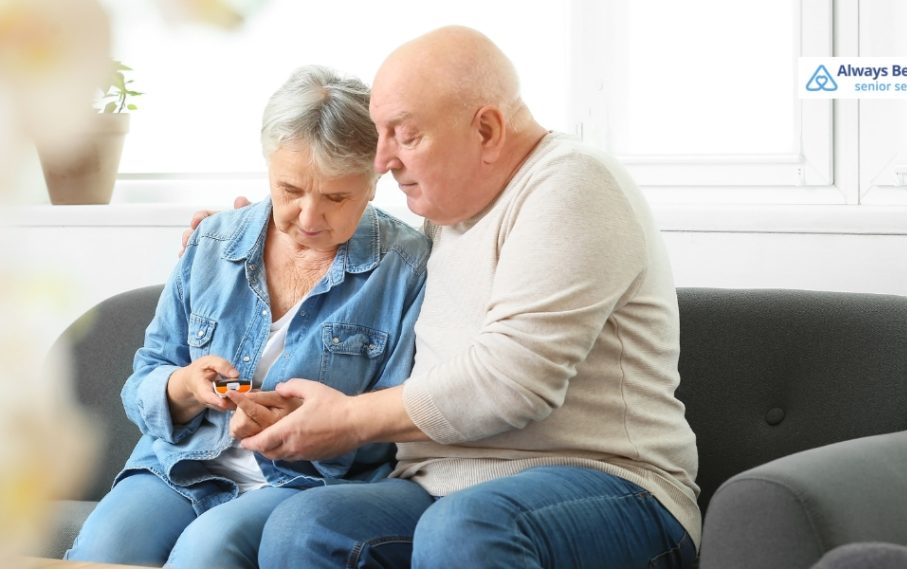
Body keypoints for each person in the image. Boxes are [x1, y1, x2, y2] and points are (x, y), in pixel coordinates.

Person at [197, 25, 700, 568]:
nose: (383, 160)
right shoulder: (445, 218)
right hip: (442, 485)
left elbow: (512, 382)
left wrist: (348, 420)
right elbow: (348, 252)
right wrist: (250, 234)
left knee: (463, 529)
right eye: (379, 135)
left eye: (403, 135)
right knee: (306, 525)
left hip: (608, 484)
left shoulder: (571, 184)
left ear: (486, 129)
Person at [65, 64, 430, 568]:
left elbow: (396, 426)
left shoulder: (404, 267)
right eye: (290, 190)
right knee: (105, 546)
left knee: (208, 549)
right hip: (182, 465)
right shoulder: (214, 242)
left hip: (303, 481)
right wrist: (186, 388)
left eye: (335, 197)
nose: (307, 217)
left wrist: (314, 428)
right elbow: (146, 374)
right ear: (268, 168)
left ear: (373, 180)